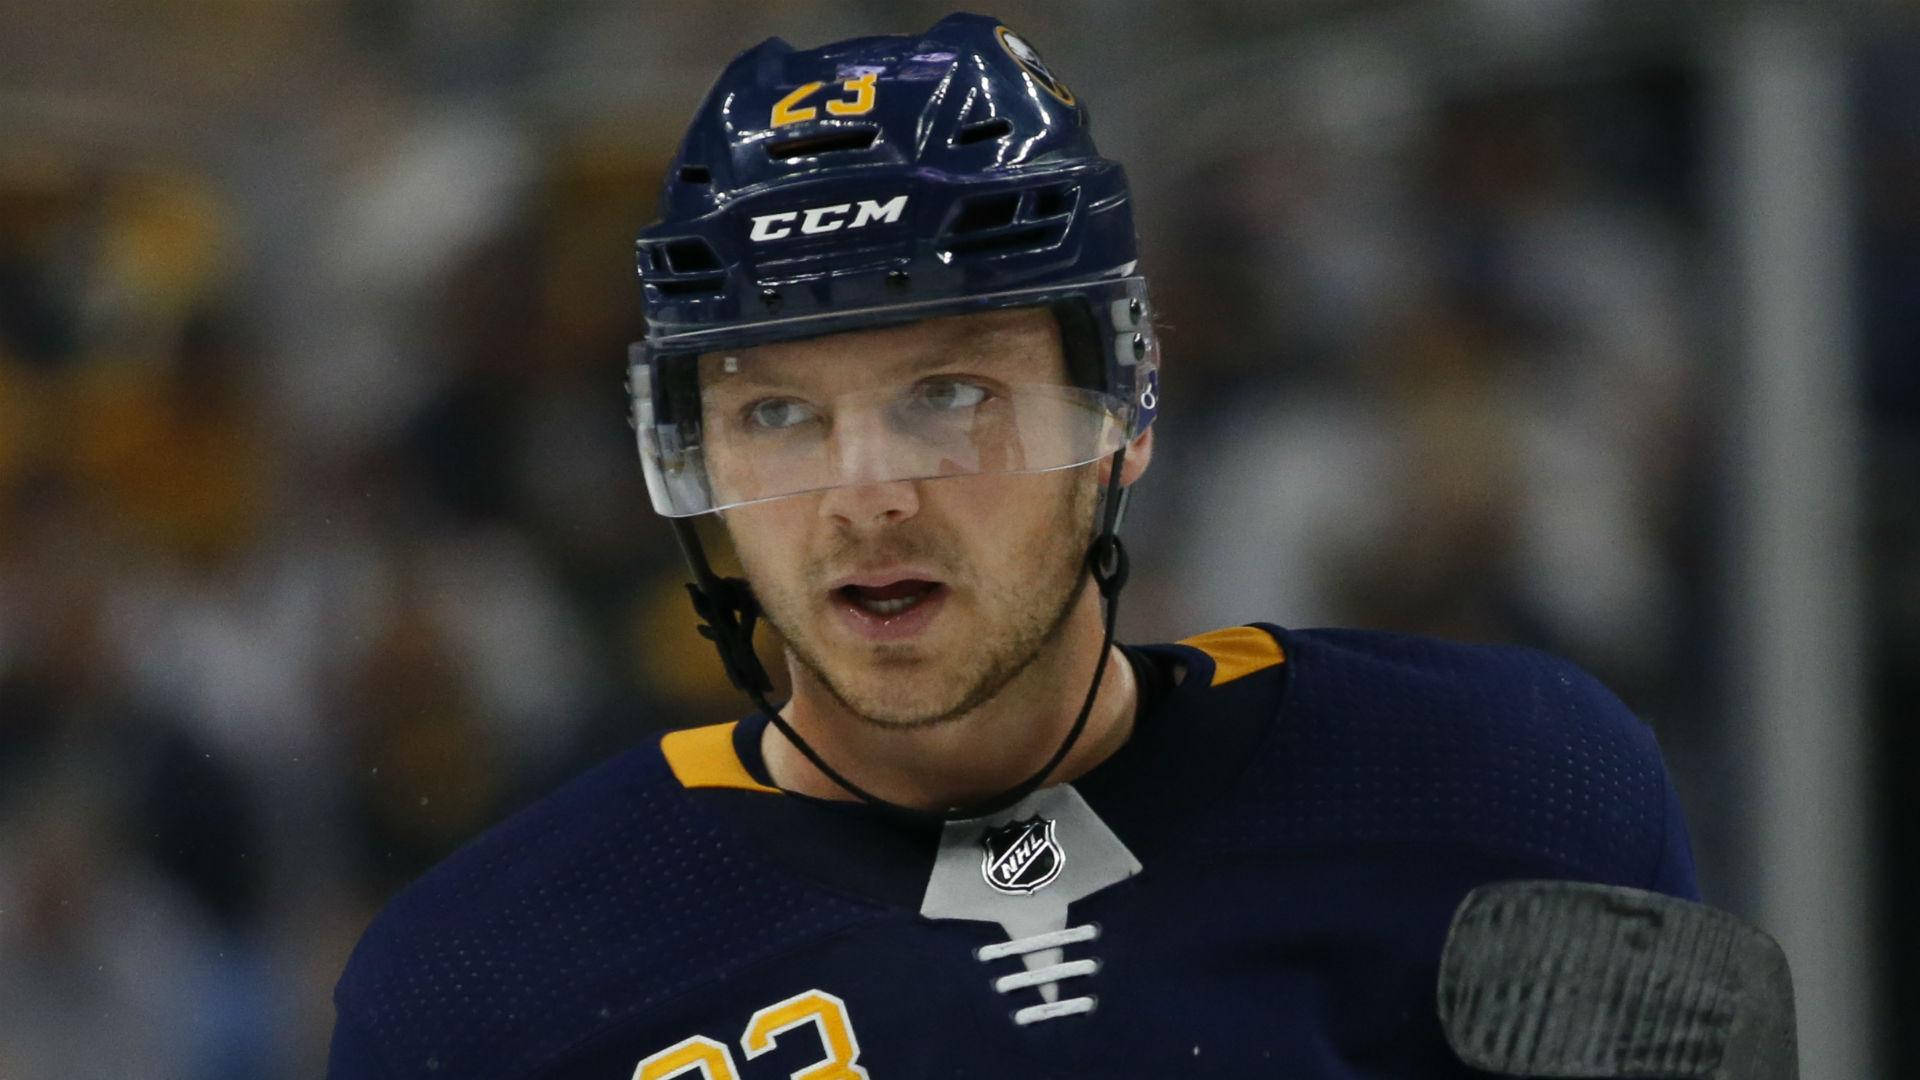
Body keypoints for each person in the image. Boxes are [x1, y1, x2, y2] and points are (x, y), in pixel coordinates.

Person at [327, 13, 1699, 1077]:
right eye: (780, 415)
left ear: (1123, 405)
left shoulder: (1507, 793)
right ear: (694, 460)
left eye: (952, 397)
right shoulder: (487, 989)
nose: (867, 496)